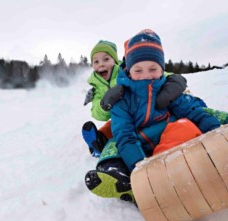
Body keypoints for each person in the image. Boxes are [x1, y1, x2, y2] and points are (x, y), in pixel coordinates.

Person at [85, 29, 222, 202]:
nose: (146, 76)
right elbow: (124, 135)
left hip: (167, 136)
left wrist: (216, 132)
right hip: (137, 138)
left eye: (153, 69)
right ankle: (119, 175)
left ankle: (166, 170)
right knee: (116, 144)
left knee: (185, 125)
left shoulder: (164, 88)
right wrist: (140, 168)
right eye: (138, 70)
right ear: (128, 70)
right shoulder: (121, 97)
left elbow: (192, 111)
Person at [82, 40, 187, 158]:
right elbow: (97, 114)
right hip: (123, 117)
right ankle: (100, 142)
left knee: (126, 128)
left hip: (142, 108)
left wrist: (173, 79)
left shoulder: (126, 71)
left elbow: (153, 72)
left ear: (115, 61)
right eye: (96, 61)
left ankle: (103, 140)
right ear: (92, 65)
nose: (101, 64)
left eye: (106, 59)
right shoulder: (96, 87)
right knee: (118, 128)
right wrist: (104, 104)